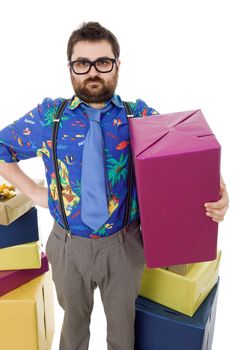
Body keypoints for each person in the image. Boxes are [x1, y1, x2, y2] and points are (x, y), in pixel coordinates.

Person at [0, 22, 229, 350]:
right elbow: (1, 147)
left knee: (123, 332)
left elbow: (187, 157)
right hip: (67, 246)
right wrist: (35, 192)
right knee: (74, 327)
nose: (93, 71)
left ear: (117, 66)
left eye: (103, 62)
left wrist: (220, 192)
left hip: (124, 246)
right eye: (82, 63)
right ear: (71, 68)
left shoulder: (140, 116)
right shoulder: (49, 116)